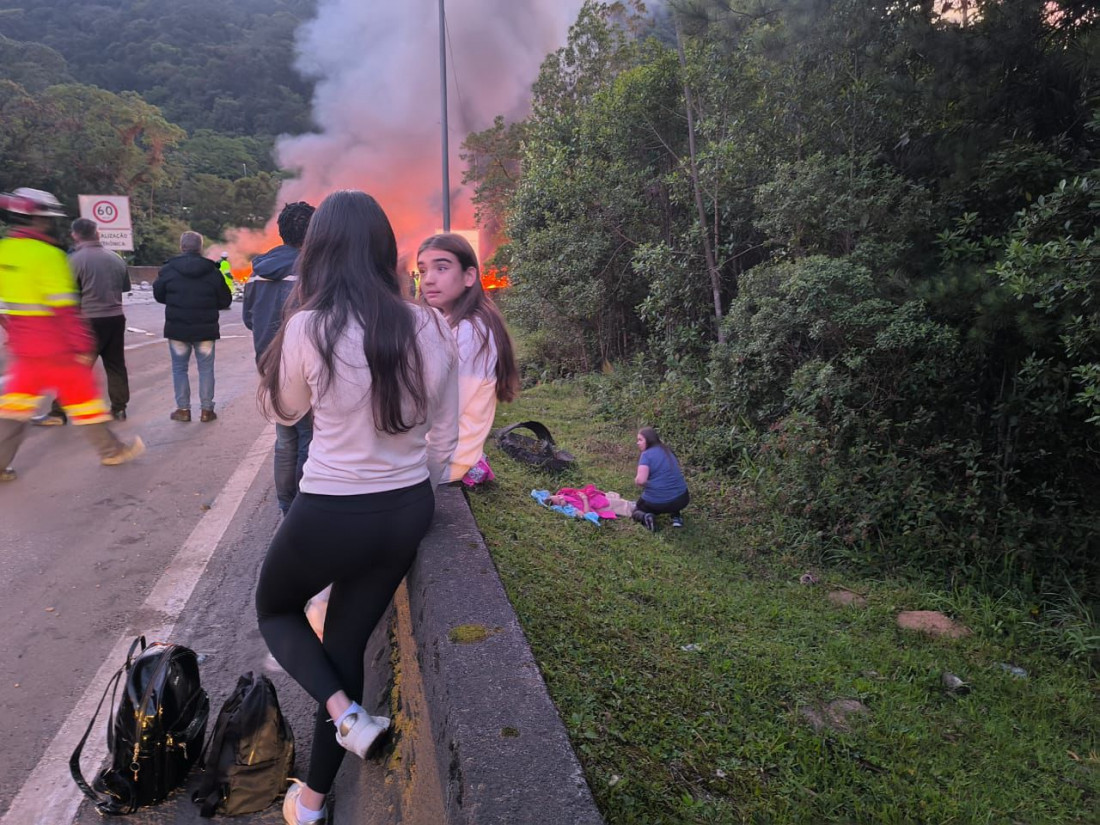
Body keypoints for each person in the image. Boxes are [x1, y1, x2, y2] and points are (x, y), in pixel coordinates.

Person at [254, 190, 458, 825]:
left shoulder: (309, 325)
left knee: (275, 608)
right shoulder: (428, 323)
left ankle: (344, 714)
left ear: (318, 254)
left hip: (330, 510)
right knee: (343, 640)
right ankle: (311, 802)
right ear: (385, 250)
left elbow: (286, 413)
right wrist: (407, 484)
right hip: (405, 510)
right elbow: (445, 441)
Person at [0, 188, 144, 481]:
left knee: (15, 406)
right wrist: (81, 344)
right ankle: (112, 451)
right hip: (56, 345)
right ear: (39, 220)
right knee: (85, 399)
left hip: (26, 347)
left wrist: (14, 334)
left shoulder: (5, 252)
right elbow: (64, 309)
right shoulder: (49, 256)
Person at [416, 232, 519, 483]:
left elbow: (445, 411)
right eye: (422, 270)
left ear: (469, 276)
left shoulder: (471, 332)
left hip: (445, 462)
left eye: (441, 268)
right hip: (438, 454)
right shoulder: (450, 323)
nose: (429, 279)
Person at [244, 201, 316, 515]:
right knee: (309, 435)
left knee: (285, 436)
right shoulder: (314, 270)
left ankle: (286, 505)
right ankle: (304, 505)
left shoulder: (257, 272)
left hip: (269, 363)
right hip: (304, 364)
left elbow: (249, 319)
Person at [154, 231, 232, 422]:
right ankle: (207, 410)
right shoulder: (212, 271)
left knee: (179, 369)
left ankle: (183, 409)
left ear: (182, 247)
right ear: (200, 248)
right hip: (205, 330)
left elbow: (158, 295)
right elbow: (225, 299)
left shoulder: (168, 269)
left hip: (177, 329)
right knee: (206, 369)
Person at [69, 217, 132, 421]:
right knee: (115, 364)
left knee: (78, 366)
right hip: (115, 318)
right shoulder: (116, 258)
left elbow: (68, 292)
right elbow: (126, 287)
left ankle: (59, 410)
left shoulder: (75, 260)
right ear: (97, 233)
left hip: (88, 320)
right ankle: (119, 407)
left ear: (75, 235)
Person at [631, 426, 689, 531]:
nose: (637, 443)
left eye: (640, 440)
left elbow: (641, 480)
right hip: (682, 499)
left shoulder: (646, 455)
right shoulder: (667, 450)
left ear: (648, 440)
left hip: (658, 503)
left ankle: (646, 517)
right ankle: (676, 516)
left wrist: (636, 480)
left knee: (636, 510)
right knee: (671, 490)